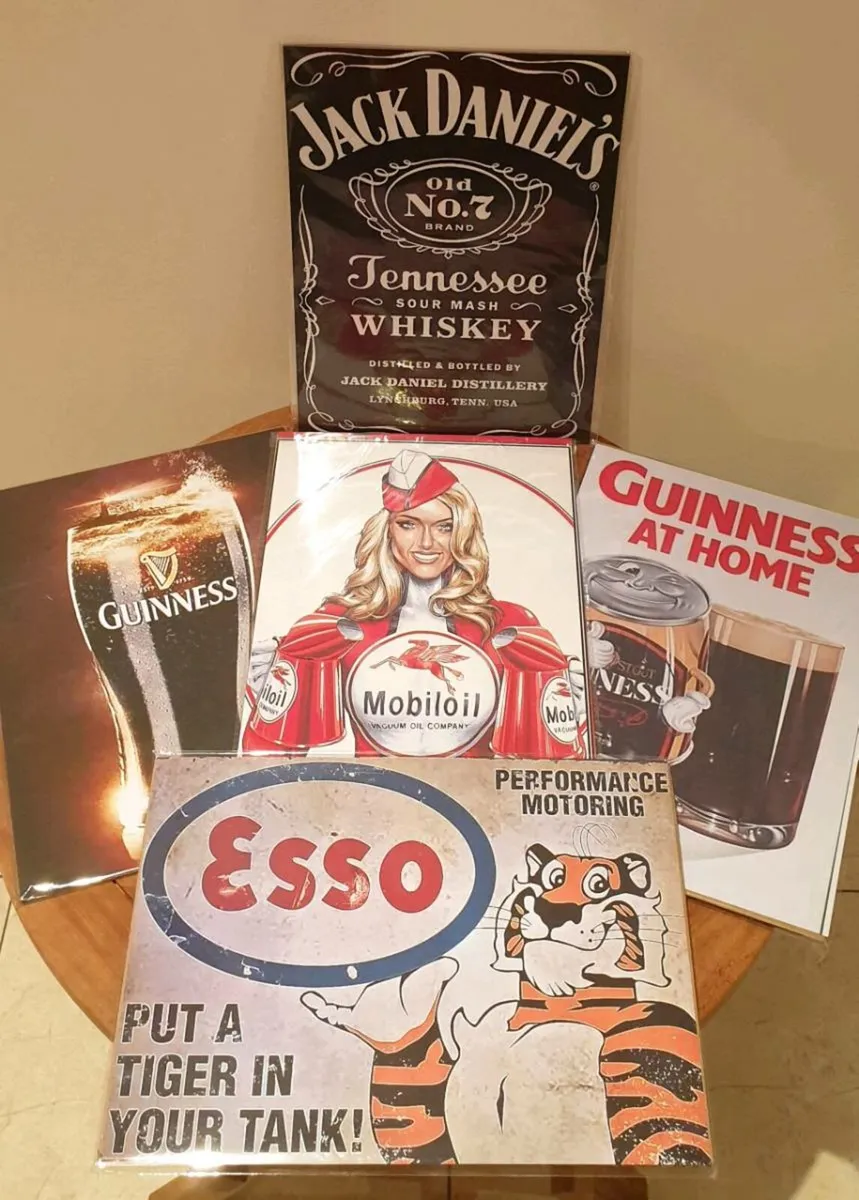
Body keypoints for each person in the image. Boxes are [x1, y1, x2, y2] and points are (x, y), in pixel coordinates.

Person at [245, 449, 586, 758]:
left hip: (478, 799)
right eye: (408, 524)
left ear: (463, 533)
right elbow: (272, 763)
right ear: (387, 530)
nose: (426, 543)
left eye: (444, 527)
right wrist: (266, 700)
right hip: (369, 797)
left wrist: (577, 718)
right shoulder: (340, 623)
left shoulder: (508, 625)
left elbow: (552, 769)